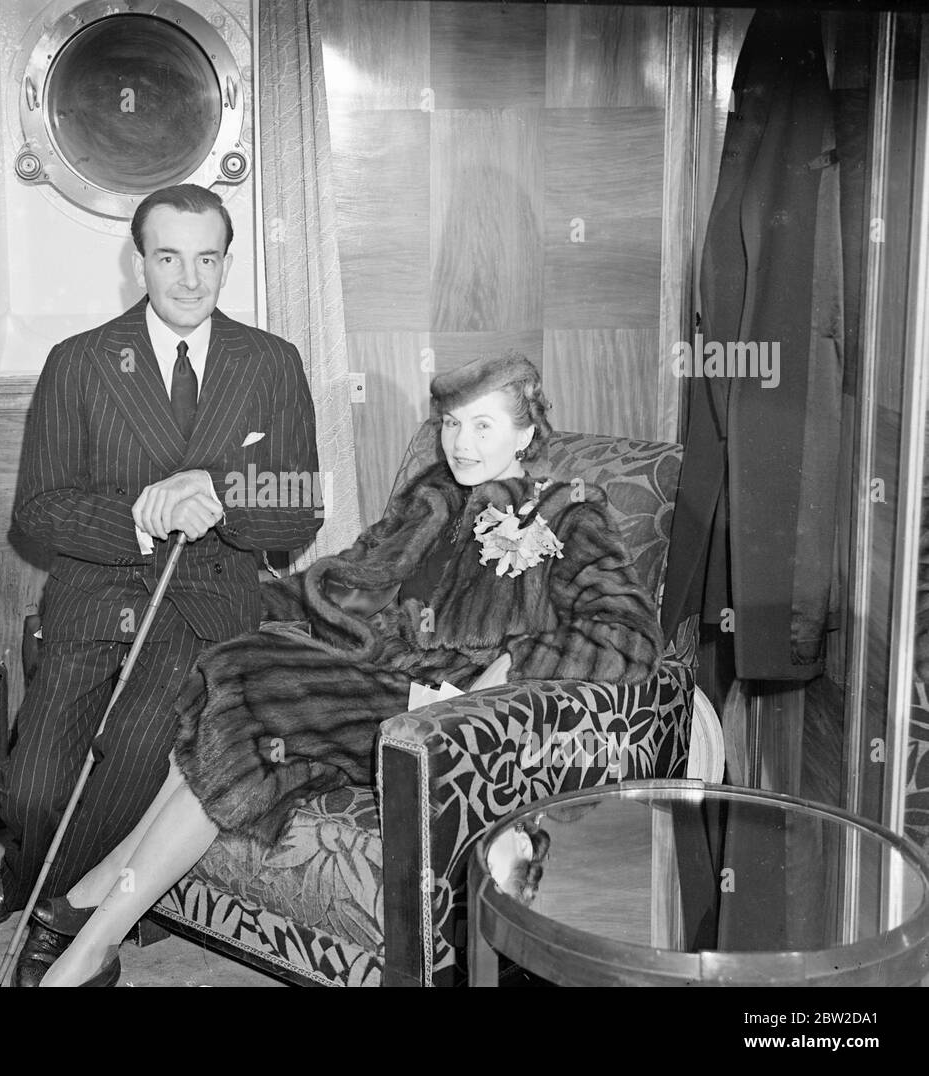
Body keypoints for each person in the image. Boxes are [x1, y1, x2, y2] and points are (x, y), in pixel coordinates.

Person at [37, 351, 664, 986]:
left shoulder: (567, 513)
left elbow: (630, 636)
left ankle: (95, 934)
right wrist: (245, 602)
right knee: (229, 668)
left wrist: (507, 665)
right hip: (377, 675)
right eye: (451, 424)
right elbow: (346, 579)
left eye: (483, 426)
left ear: (526, 434)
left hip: (446, 717)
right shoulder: (432, 497)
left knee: (251, 687)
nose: (461, 444)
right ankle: (106, 910)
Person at [0, 184, 321, 986]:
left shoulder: (272, 361)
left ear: (227, 261)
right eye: (169, 257)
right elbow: (39, 509)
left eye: (208, 259)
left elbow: (300, 505)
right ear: (138, 261)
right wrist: (143, 515)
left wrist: (217, 493)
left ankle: (60, 925)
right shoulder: (79, 362)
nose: (190, 279)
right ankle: (27, 870)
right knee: (34, 788)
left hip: (211, 605)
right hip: (97, 594)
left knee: (135, 757)